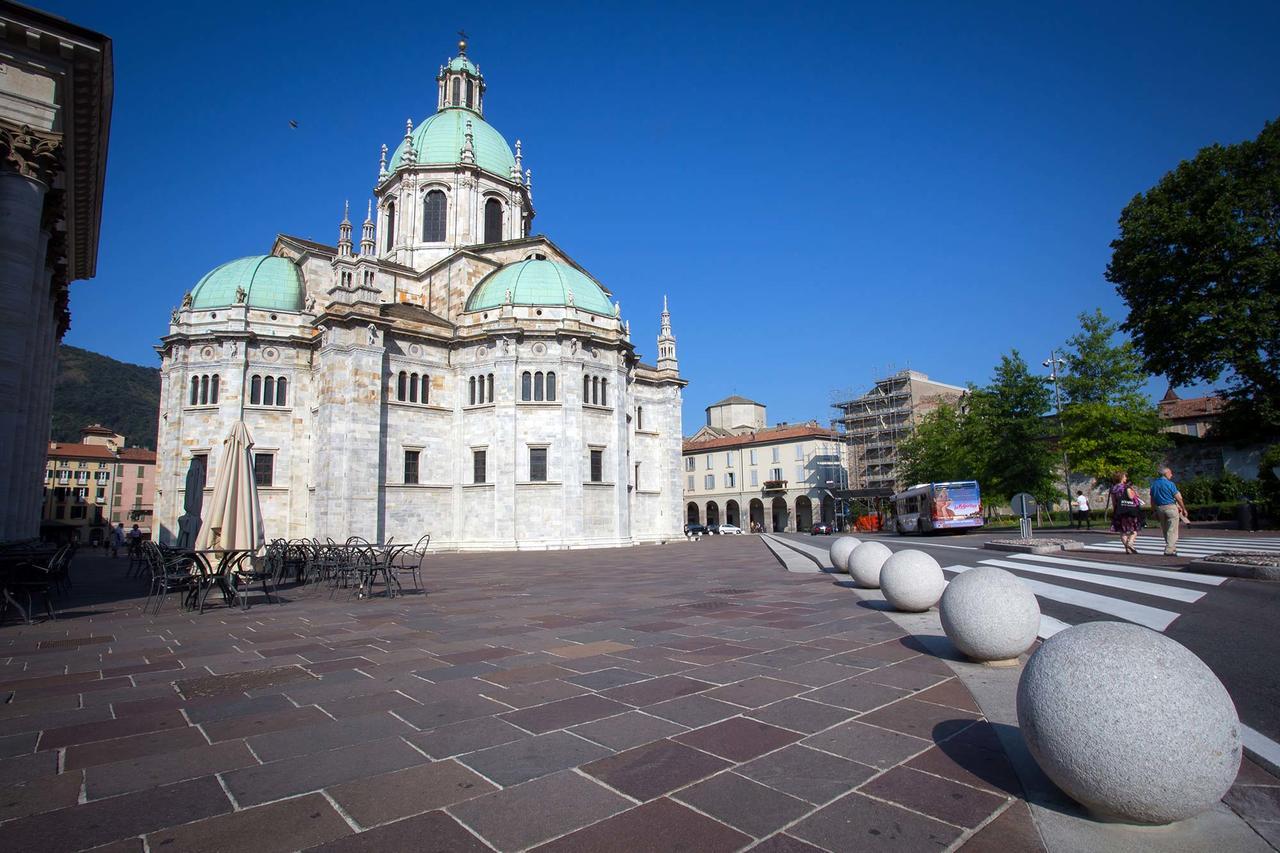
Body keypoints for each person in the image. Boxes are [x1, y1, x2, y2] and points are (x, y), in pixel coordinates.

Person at [1149, 467, 1188, 556]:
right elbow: (1178, 498)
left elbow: (1152, 500)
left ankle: (1172, 548)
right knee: (1172, 530)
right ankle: (1169, 549)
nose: (1171, 475)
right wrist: (1184, 508)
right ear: (1166, 474)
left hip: (1160, 508)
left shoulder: (1153, 484)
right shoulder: (1170, 484)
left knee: (1165, 529)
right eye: (1170, 473)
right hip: (1171, 507)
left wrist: (1153, 511)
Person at [1108, 472, 1143, 554]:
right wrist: (1135, 494)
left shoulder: (1113, 488)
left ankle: (1127, 549)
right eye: (1124, 477)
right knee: (1134, 529)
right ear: (1121, 478)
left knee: (1122, 530)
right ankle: (1130, 543)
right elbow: (1131, 497)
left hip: (1119, 511)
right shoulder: (1126, 487)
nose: (1126, 478)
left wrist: (1115, 511)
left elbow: (1114, 502)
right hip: (1129, 510)